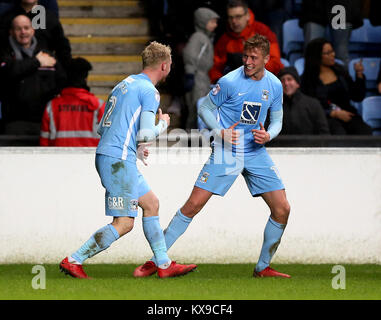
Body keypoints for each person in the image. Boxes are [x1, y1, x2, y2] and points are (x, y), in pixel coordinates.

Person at [134, 34, 291, 279]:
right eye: (245, 56)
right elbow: (205, 107)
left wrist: (268, 135)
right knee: (193, 205)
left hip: (256, 151)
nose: (248, 62)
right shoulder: (229, 81)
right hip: (226, 151)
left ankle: (262, 268)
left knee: (282, 209)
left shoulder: (274, 85)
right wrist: (220, 132)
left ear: (266, 59)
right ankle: (156, 261)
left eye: (253, 57)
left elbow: (278, 119)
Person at [59, 41, 197, 279]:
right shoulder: (149, 91)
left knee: (151, 203)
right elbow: (145, 132)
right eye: (170, 66)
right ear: (164, 66)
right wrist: (163, 123)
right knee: (124, 222)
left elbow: (103, 127)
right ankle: (74, 259)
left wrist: (135, 146)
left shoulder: (123, 85)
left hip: (112, 155)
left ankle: (163, 264)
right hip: (118, 159)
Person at [0, 14, 66, 136]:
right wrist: (37, 62)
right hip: (14, 122)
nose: (23, 32)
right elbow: (8, 72)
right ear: (11, 32)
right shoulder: (4, 53)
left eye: (26, 27)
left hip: (44, 121)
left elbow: (61, 80)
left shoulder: (46, 54)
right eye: (18, 28)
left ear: (33, 30)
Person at [301, 38, 372, 135]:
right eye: (328, 53)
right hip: (325, 118)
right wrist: (333, 113)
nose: (333, 54)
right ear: (317, 56)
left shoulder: (340, 71)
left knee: (365, 131)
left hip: (347, 114)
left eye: (332, 51)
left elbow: (357, 96)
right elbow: (310, 107)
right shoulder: (307, 80)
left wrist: (359, 75)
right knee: (339, 134)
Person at [209, 0, 283, 84]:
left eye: (238, 16)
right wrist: (219, 81)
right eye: (231, 17)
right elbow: (215, 67)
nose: (234, 21)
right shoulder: (224, 40)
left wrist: (250, 66)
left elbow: (276, 63)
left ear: (247, 15)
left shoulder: (263, 32)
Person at [40, 57, 105, 146]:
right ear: (85, 79)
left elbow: (44, 141)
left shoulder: (51, 106)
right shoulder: (98, 105)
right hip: (89, 158)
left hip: (58, 158)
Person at [0, 0, 71, 69]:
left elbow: (62, 49)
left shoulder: (50, 18)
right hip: (16, 71)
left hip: (44, 71)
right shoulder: (7, 19)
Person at [183, 7, 219, 129]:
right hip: (197, 77)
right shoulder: (199, 37)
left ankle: (197, 134)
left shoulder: (205, 38)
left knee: (201, 107)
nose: (215, 25)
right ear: (203, 22)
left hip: (203, 77)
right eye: (212, 21)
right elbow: (190, 54)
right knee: (195, 107)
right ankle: (191, 136)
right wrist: (190, 73)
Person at [299, 0, 364, 67]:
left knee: (340, 53)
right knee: (312, 52)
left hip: (342, 7)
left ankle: (342, 76)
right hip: (314, 9)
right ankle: (310, 77)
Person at [278, 66, 330, 135]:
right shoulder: (274, 106)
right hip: (281, 145)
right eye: (282, 80)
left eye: (289, 79)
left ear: (297, 84)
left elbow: (323, 132)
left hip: (310, 145)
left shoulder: (313, 104)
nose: (286, 83)